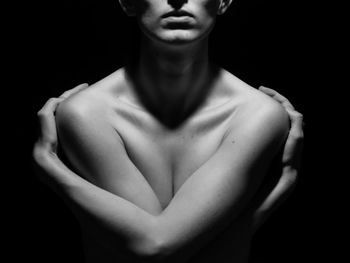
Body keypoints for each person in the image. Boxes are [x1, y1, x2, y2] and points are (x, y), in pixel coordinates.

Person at [33, 0, 304, 262]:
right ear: (128, 2)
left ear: (224, 1)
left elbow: (155, 248)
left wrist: (51, 168)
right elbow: (158, 248)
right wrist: (272, 196)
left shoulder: (258, 114)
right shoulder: (85, 112)